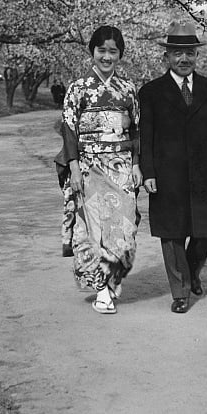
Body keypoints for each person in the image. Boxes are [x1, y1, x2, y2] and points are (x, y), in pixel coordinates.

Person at [138, 22, 207, 314]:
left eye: (189, 53)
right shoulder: (151, 92)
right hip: (167, 174)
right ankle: (180, 291)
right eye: (177, 53)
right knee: (172, 232)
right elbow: (146, 136)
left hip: (205, 172)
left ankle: (192, 271)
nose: (184, 59)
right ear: (166, 57)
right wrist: (149, 172)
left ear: (196, 56)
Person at [58, 25, 142, 314]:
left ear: (120, 55)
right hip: (90, 165)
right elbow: (69, 130)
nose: (107, 57)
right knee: (95, 231)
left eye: (113, 52)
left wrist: (137, 165)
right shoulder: (78, 89)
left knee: (123, 229)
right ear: (92, 52)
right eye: (101, 50)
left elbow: (137, 130)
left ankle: (113, 279)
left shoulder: (128, 89)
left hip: (121, 165)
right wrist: (73, 168)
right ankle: (104, 292)